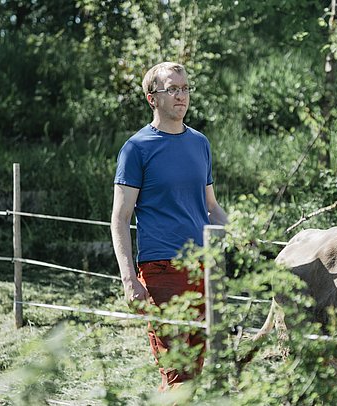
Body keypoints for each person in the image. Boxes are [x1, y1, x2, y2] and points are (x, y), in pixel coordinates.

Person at [111, 61, 228, 389]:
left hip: (202, 270)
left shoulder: (200, 143)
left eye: (185, 88)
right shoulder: (136, 148)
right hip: (162, 270)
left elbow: (212, 207)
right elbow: (119, 218)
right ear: (153, 98)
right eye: (172, 89)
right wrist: (128, 279)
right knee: (178, 373)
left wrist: (242, 233)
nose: (181, 95)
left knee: (194, 368)